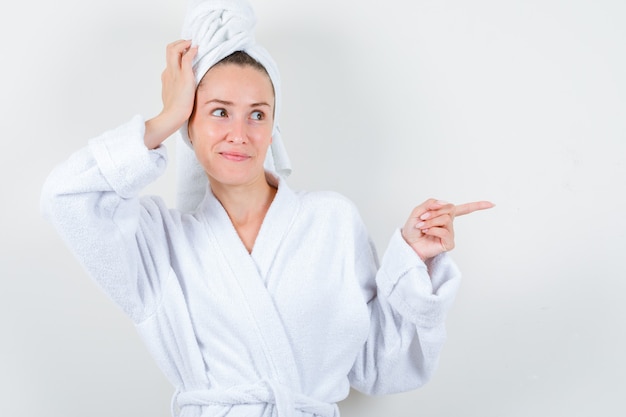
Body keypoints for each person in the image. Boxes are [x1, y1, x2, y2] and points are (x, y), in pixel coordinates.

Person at [41, 1, 493, 416]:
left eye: (257, 114)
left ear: (274, 128)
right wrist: (165, 117)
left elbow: (380, 367)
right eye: (219, 112)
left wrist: (414, 261)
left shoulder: (331, 221)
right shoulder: (158, 242)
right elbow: (66, 196)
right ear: (188, 126)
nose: (240, 132)